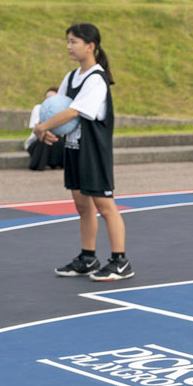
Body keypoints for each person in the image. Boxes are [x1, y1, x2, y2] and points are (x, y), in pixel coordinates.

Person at [34, 22, 132, 282]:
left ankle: (120, 261)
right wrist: (46, 128)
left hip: (94, 151)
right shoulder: (71, 77)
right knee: (82, 205)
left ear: (91, 46)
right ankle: (88, 257)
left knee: (104, 204)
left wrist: (43, 126)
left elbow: (74, 111)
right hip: (75, 147)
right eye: (67, 41)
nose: (69, 46)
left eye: (74, 41)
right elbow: (58, 108)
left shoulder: (96, 80)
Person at [26, 88, 67, 171]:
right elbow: (37, 128)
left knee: (59, 140)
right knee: (44, 139)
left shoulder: (64, 111)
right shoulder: (38, 108)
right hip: (38, 141)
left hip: (57, 140)